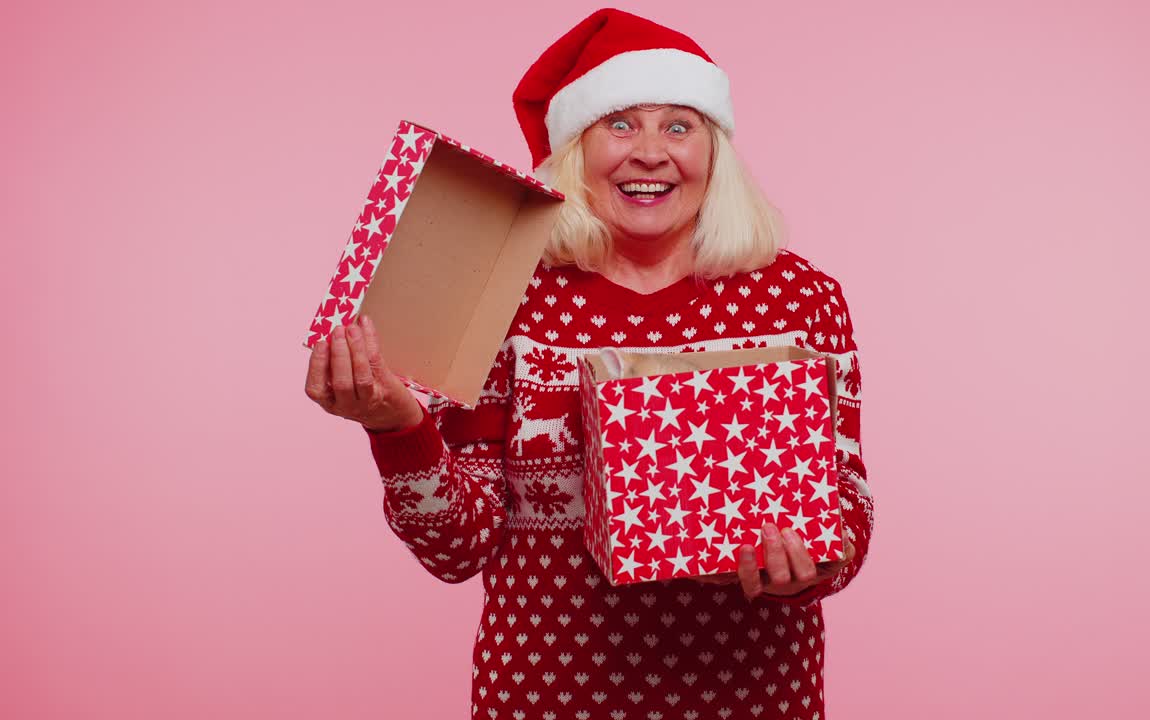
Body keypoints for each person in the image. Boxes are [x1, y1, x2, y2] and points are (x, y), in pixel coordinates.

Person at [304, 8, 874, 719]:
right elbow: (458, 548)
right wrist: (398, 427)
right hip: (549, 696)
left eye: (678, 125)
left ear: (714, 149)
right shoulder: (504, 292)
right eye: (620, 123)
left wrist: (804, 568)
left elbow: (847, 506)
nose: (650, 153)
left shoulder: (800, 297)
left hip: (754, 698)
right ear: (577, 147)